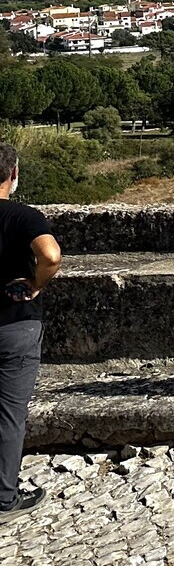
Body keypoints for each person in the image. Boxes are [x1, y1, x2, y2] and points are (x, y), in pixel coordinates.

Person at [0, 143, 61, 521]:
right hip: (15, 324)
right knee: (8, 414)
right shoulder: (23, 217)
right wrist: (37, 283)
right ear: (14, 173)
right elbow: (51, 255)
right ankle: (4, 499)